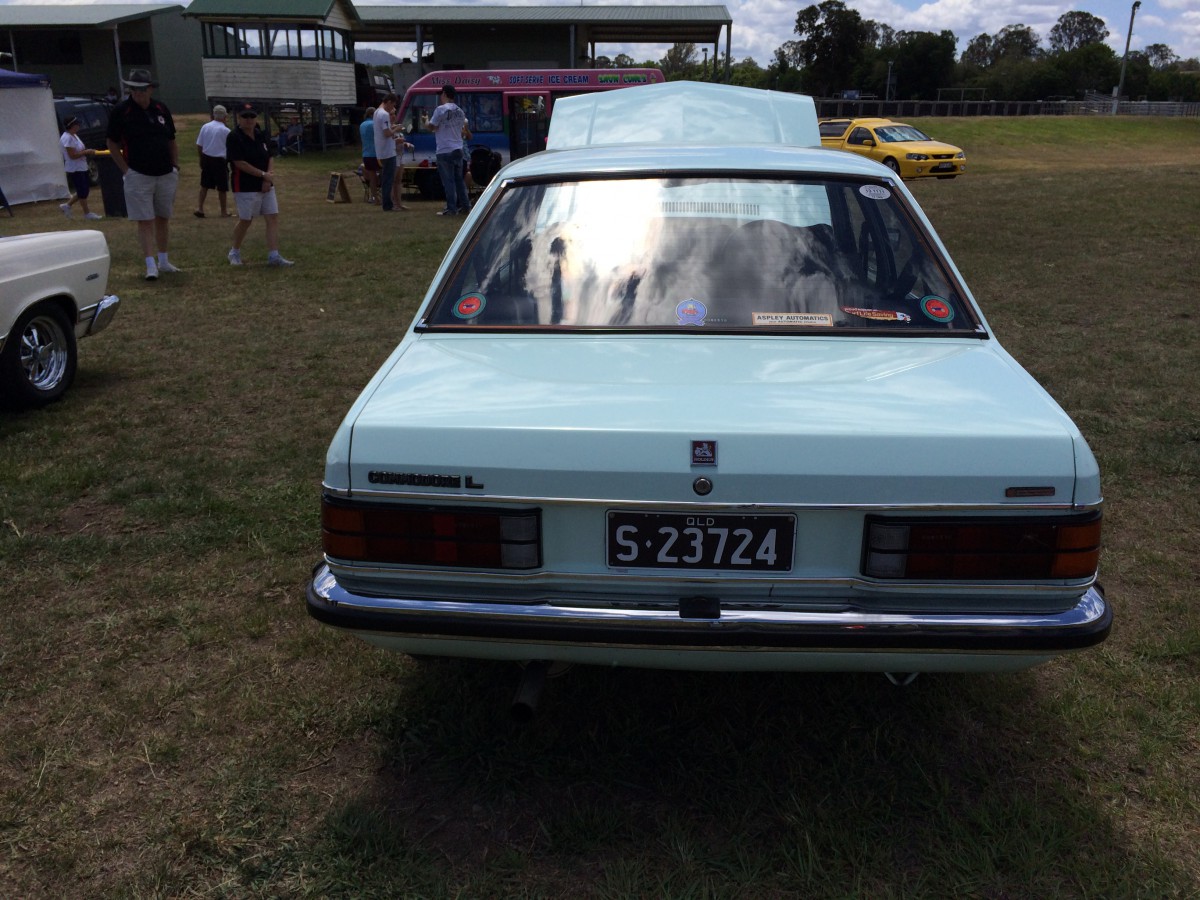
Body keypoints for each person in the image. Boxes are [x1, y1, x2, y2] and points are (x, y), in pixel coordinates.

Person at [105, 68, 180, 281]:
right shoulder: (122, 111)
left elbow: (171, 139)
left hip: (165, 172)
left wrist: (175, 165)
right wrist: (126, 170)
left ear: (150, 89)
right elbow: (111, 142)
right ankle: (150, 264)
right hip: (138, 173)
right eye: (133, 89)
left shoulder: (160, 108)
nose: (137, 93)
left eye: (141, 89)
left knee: (162, 217)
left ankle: (164, 261)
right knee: (144, 219)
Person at [225, 103, 293, 268]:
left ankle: (274, 255)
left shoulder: (261, 134)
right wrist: (262, 175)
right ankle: (234, 251)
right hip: (245, 185)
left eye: (252, 116)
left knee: (272, 216)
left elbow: (270, 156)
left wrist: (267, 178)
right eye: (245, 116)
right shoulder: (234, 137)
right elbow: (239, 162)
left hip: (266, 184)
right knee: (246, 220)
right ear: (239, 118)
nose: (249, 120)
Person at [427, 85, 471, 216]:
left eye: (441, 94)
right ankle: (465, 206)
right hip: (458, 148)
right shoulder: (460, 111)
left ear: (445, 94)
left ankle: (451, 208)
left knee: (448, 181)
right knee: (459, 180)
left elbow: (431, 127)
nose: (440, 96)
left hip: (444, 149)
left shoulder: (440, 109)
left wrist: (425, 122)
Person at [58, 116, 102, 221]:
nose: (79, 126)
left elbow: (80, 150)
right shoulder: (67, 138)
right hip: (74, 168)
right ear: (72, 125)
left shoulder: (74, 136)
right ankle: (87, 213)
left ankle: (67, 206)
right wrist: (86, 152)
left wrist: (86, 151)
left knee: (84, 190)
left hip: (81, 167)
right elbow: (72, 155)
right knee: (82, 192)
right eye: (77, 124)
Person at [194, 104, 231, 218]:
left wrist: (201, 158)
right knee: (222, 188)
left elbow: (199, 145)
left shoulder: (205, 127)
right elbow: (230, 148)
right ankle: (223, 211)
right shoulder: (226, 131)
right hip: (220, 161)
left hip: (206, 158)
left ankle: (200, 208)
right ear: (225, 116)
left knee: (204, 185)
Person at [373, 93, 399, 212]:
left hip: (381, 149)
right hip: (387, 151)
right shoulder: (384, 114)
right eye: (392, 104)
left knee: (386, 177)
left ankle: (387, 203)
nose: (392, 108)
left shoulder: (377, 112)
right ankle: (387, 204)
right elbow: (387, 133)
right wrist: (396, 129)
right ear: (388, 102)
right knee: (388, 178)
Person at [359, 106, 380, 203]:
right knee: (381, 175)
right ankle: (379, 195)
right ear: (372, 114)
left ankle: (374, 196)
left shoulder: (362, 125)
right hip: (375, 153)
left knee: (372, 177)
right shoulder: (373, 124)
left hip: (366, 153)